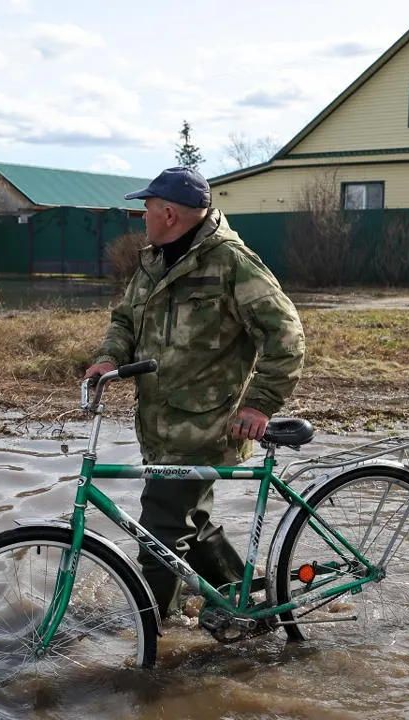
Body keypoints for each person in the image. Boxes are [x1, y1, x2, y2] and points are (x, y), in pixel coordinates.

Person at [84, 166, 306, 622]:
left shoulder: (232, 262)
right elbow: (125, 319)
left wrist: (260, 403)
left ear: (168, 213)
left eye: (145, 210)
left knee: (160, 530)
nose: (141, 218)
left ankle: (148, 635)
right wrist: (109, 358)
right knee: (195, 523)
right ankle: (244, 607)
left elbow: (286, 335)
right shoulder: (152, 260)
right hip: (160, 425)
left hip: (207, 426)